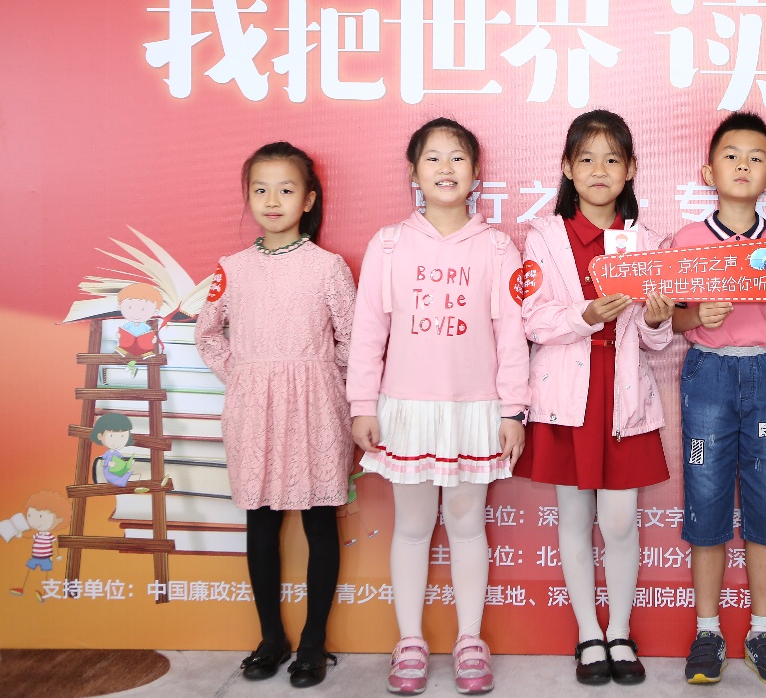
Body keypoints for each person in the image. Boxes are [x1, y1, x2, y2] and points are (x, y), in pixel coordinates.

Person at [348, 118, 530, 697]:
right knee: (411, 528)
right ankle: (409, 641)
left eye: (457, 158)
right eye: (433, 158)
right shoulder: (389, 244)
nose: (445, 168)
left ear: (476, 173)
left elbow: (512, 336)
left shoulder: (497, 247)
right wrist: (361, 403)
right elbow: (368, 332)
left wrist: (513, 411)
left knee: (468, 527)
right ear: (413, 172)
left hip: (475, 411)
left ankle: (470, 639)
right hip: (407, 410)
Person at [515, 109, 674, 686]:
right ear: (567, 167)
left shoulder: (648, 243)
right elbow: (531, 319)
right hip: (568, 396)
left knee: (621, 521)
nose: (600, 170)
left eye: (612, 159)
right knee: (575, 518)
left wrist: (656, 318)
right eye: (587, 159)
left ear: (631, 169)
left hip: (621, 394)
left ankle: (621, 631)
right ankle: (588, 633)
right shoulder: (545, 237)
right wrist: (584, 315)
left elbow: (658, 339)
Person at [195, 141, 355, 688]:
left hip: (317, 410)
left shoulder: (328, 267)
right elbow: (207, 333)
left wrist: (322, 381)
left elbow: (354, 340)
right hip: (253, 412)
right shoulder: (232, 269)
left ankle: (313, 642)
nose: (271, 200)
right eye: (260, 190)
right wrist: (244, 375)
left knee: (319, 521)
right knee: (260, 523)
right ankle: (271, 637)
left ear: (308, 199)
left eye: (285, 190)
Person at [672, 112, 766, 688]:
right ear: (708, 171)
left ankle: (762, 631)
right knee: (706, 496)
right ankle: (707, 631)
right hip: (708, 377)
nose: (742, 165)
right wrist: (696, 316)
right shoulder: (687, 241)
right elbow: (673, 319)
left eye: (756, 158)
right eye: (730, 155)